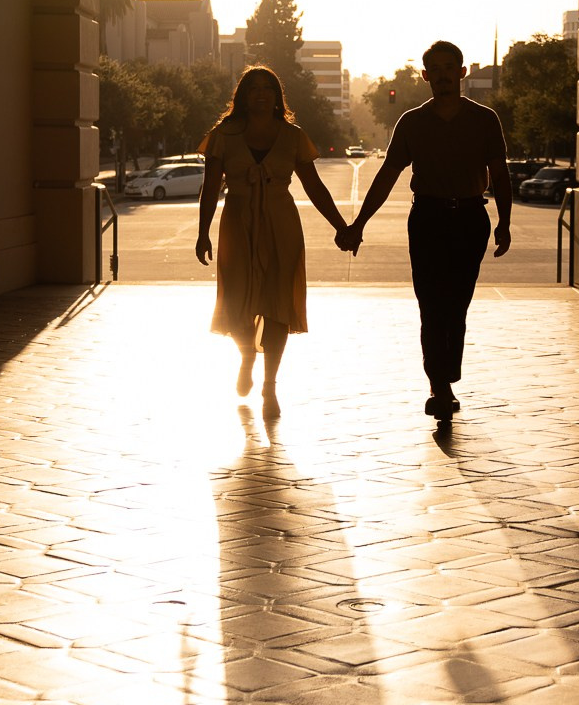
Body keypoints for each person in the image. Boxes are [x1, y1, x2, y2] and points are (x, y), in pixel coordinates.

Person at [340, 40, 511, 420]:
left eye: (450, 68)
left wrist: (505, 222)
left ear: (461, 72)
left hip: (470, 219)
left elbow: (500, 173)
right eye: (436, 69)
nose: (443, 75)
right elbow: (387, 175)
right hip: (428, 219)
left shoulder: (484, 119)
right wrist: (359, 223)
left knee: (457, 304)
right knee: (431, 304)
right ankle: (440, 384)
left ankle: (445, 375)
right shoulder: (412, 123)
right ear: (425, 75)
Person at [196, 65, 350, 417]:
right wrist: (203, 232)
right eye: (254, 88)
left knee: (278, 306)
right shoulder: (223, 135)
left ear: (277, 96)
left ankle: (270, 386)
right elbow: (210, 188)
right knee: (238, 302)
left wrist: (341, 226)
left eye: (268, 88)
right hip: (237, 224)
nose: (261, 94)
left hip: (282, 226)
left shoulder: (293, 136)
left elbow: (314, 187)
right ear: (243, 96)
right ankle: (246, 356)